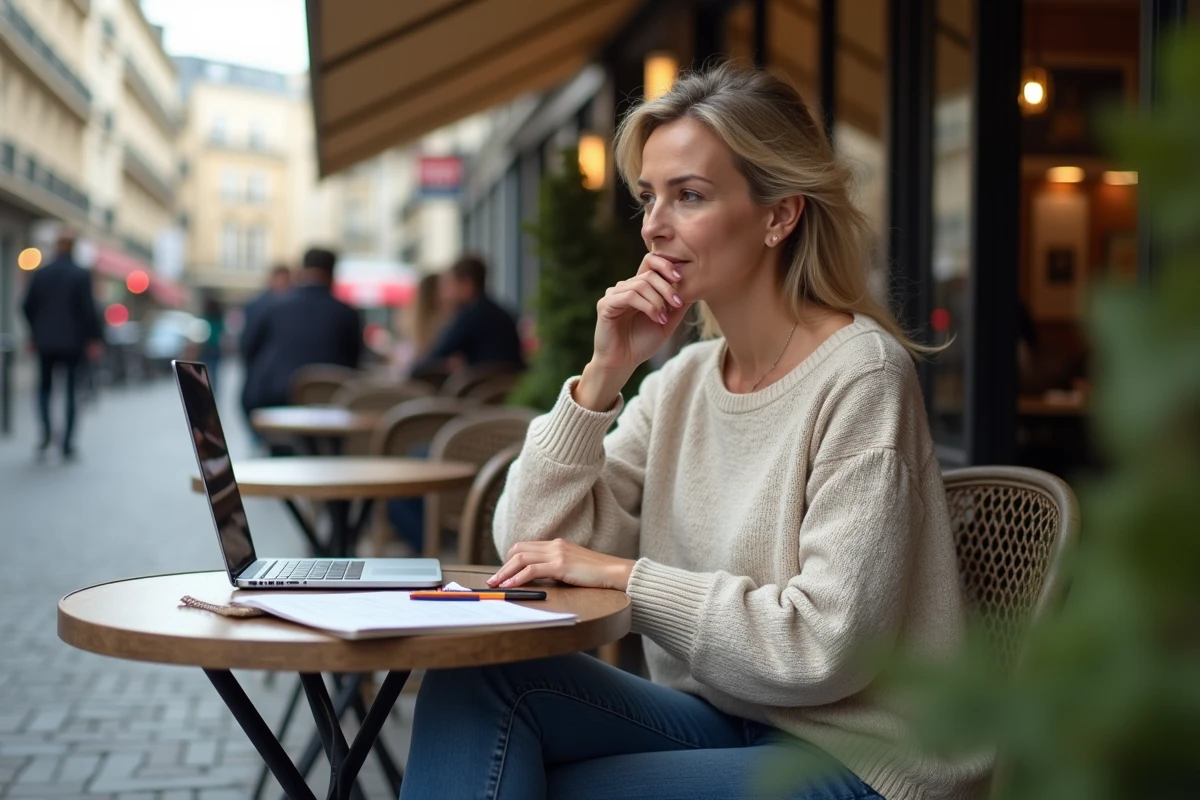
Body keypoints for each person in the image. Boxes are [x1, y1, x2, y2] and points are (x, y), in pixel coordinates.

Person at [398, 65, 986, 800]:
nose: (653, 225)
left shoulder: (862, 376)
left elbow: (825, 647)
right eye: (650, 197)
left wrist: (623, 579)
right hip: (724, 718)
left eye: (690, 196)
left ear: (779, 216)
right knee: (476, 682)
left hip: (860, 759)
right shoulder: (682, 380)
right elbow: (526, 544)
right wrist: (602, 375)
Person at [241, 248, 361, 417]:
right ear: (332, 273)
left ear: (302, 270)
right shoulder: (347, 313)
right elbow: (353, 362)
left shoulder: (274, 307)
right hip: (327, 405)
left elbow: (249, 351)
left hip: (272, 399)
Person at [21, 230, 102, 460]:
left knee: (44, 388)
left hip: (45, 341)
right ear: (73, 248)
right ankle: (66, 443)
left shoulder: (41, 274)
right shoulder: (81, 274)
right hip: (73, 342)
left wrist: (35, 332)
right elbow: (89, 310)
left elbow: (26, 305)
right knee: (70, 390)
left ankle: (46, 433)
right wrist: (94, 338)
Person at [409, 255, 525, 378]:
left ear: (467, 284)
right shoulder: (502, 312)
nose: (446, 294)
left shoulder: (469, 316)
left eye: (451, 285)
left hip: (482, 393)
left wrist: (413, 369)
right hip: (510, 390)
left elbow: (433, 358)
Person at [200, 294, 225, 392]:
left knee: (205, 370)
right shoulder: (219, 318)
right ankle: (213, 390)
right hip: (216, 347)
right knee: (214, 371)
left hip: (208, 346)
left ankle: (207, 389)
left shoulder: (207, 317)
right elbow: (222, 333)